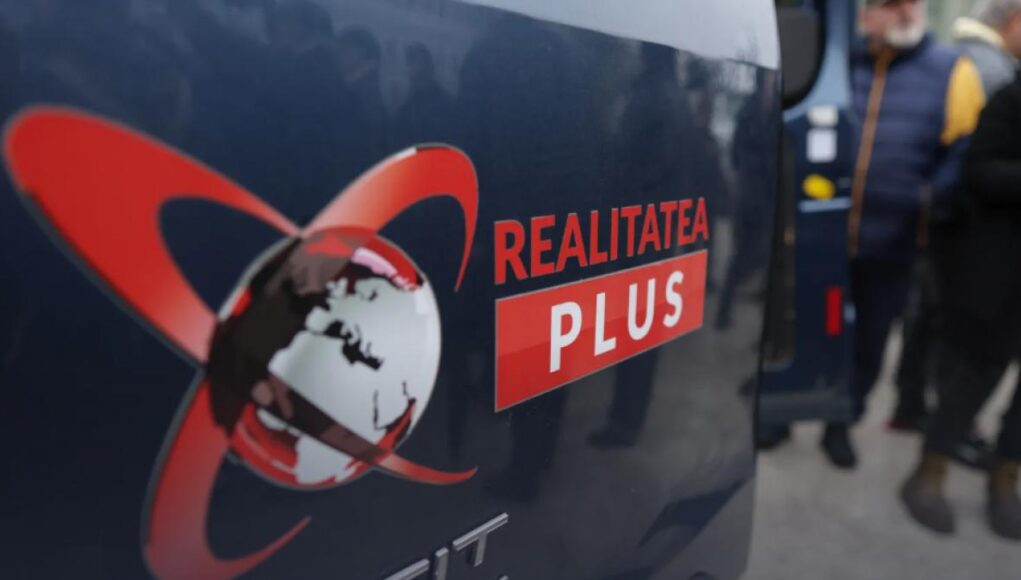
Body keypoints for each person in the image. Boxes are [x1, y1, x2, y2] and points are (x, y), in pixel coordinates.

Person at [828, 0, 985, 469]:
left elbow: (964, 153)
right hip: (823, 235)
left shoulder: (954, 71)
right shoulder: (838, 60)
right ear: (865, 13)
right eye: (888, 3)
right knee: (813, 324)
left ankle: (841, 421)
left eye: (909, 2)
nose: (903, 11)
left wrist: (926, 206)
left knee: (870, 339)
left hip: (893, 245)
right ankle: (789, 413)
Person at [890, 0, 1021, 467]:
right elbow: (975, 165)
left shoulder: (956, 57)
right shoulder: (998, 74)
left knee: (931, 324)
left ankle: (914, 409)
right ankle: (942, 431)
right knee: (957, 343)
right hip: (970, 236)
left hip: (949, 227)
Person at [901, 73, 1021, 540]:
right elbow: (980, 172)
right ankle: (930, 473)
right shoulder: (1012, 99)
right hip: (998, 276)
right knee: (969, 378)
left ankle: (1005, 478)